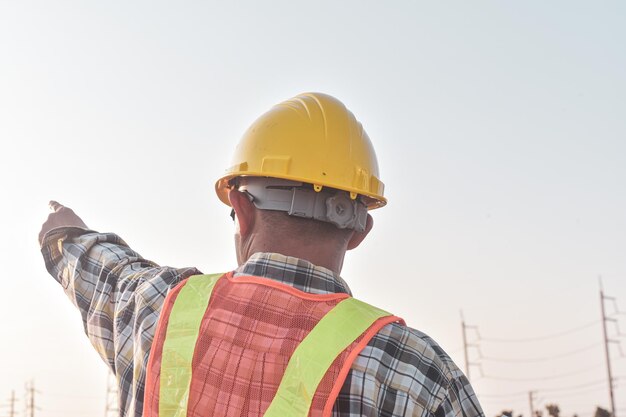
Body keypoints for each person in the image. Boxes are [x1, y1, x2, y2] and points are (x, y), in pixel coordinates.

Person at [39, 93, 484, 417]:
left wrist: (66, 233)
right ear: (359, 231)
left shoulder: (157, 307)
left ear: (242, 210)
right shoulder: (416, 373)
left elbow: (104, 271)